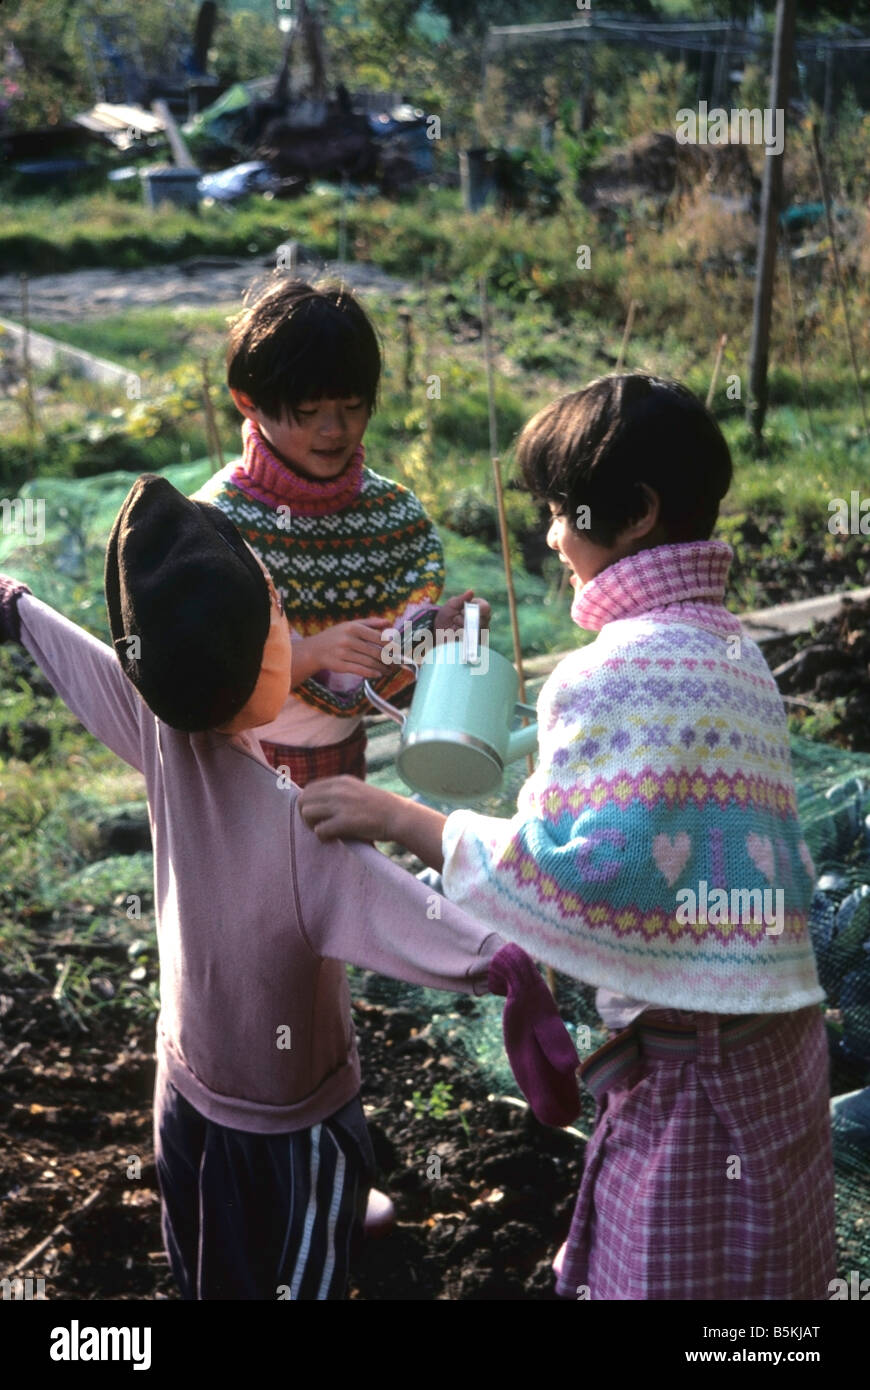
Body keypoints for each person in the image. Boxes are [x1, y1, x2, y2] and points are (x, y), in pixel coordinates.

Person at [298, 373, 837, 1301]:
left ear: (633, 515)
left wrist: (407, 819)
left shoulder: (609, 671)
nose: (550, 535)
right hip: (780, 1058)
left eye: (559, 510)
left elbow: (592, 873)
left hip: (692, 1080)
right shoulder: (732, 650)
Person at [0, 476, 577, 1301]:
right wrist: (505, 966)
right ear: (266, 653)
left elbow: (87, 665)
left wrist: (17, 607)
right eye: (281, 621)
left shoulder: (160, 732)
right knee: (300, 1280)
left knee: (212, 1268)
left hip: (186, 1091)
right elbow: (408, 914)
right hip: (295, 1123)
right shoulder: (302, 832)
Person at [192, 275, 486, 787]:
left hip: (343, 761)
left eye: (352, 407)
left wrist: (433, 635)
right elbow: (203, 681)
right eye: (309, 412)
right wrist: (307, 655)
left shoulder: (389, 517)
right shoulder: (215, 525)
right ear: (247, 401)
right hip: (237, 769)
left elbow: (382, 677)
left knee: (331, 866)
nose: (334, 429)